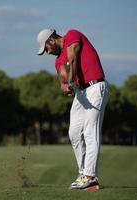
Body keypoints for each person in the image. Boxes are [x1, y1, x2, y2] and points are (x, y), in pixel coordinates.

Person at [36, 28, 109, 190]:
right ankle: (85, 175)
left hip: (96, 87)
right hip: (81, 92)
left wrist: (69, 81)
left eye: (46, 48)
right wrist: (65, 84)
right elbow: (62, 74)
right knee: (74, 133)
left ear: (51, 40)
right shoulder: (57, 60)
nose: (47, 53)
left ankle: (89, 175)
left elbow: (73, 58)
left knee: (90, 131)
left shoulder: (72, 35)